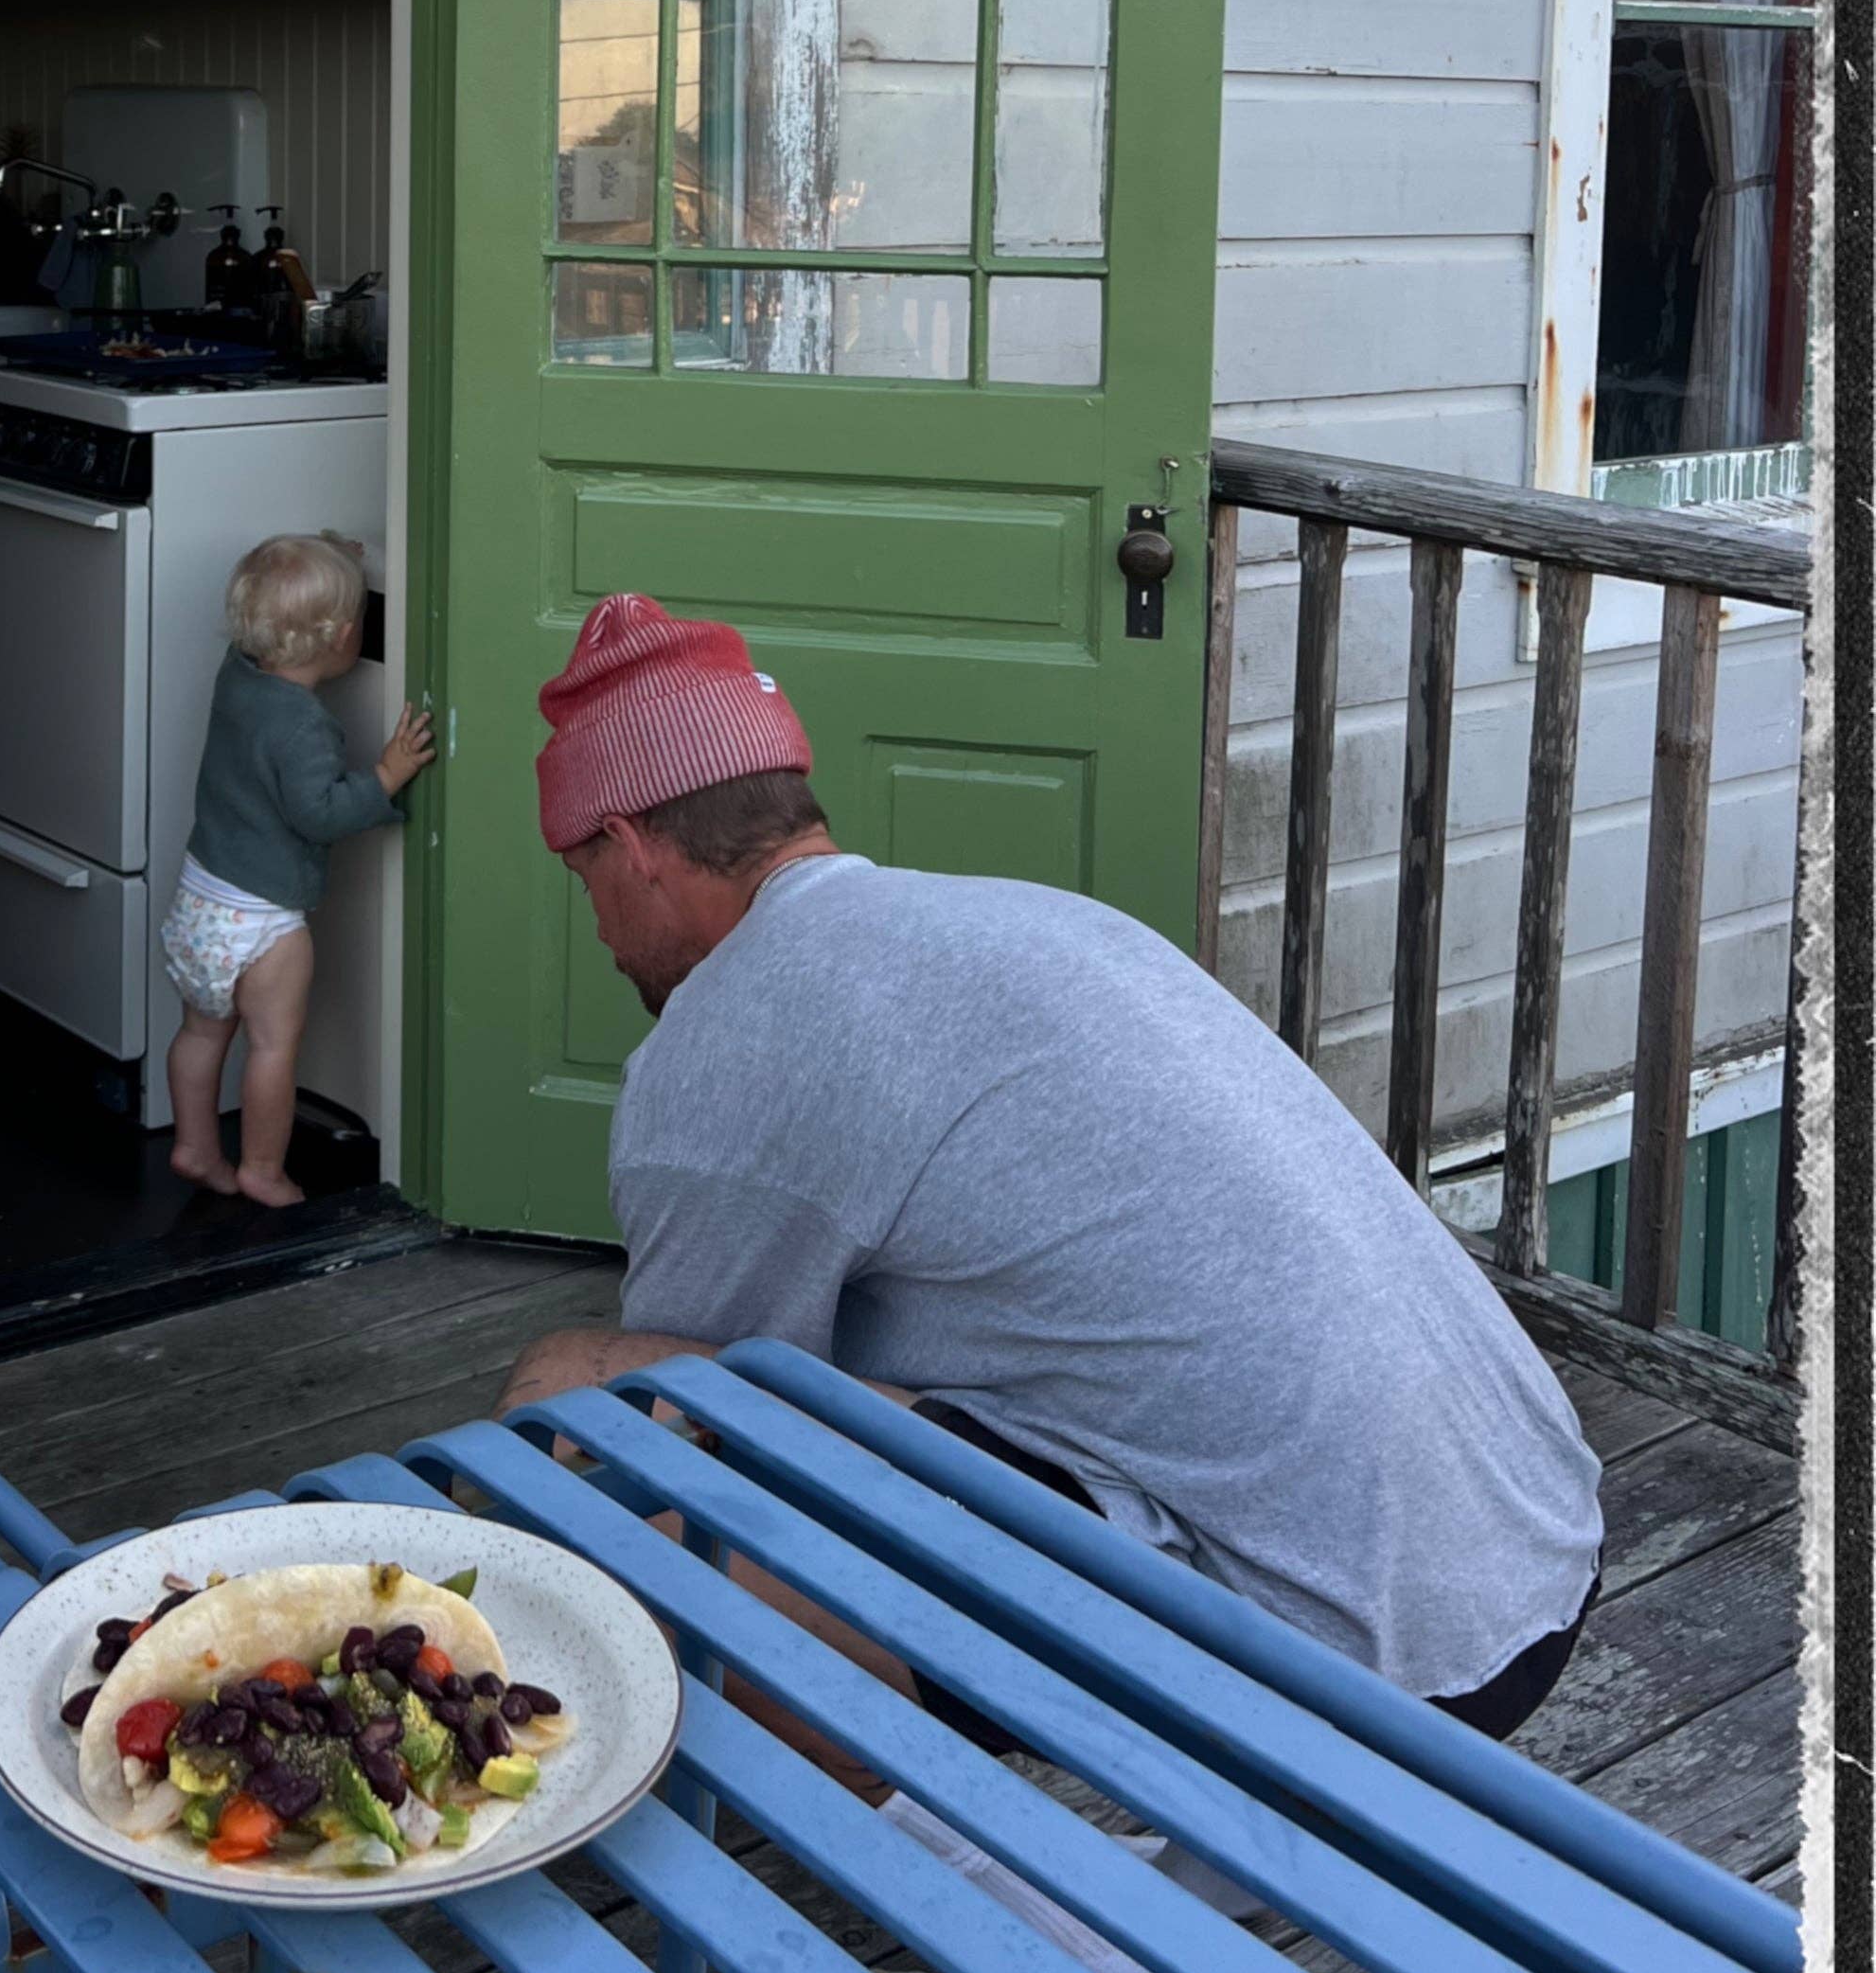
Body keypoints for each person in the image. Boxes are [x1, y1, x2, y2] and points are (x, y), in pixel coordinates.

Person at [503, 593, 1604, 1741]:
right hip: (1535, 1543)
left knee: (576, 1412)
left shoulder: (721, 1045)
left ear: (630, 851)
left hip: (1354, 1661)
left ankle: (895, 1842)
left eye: (586, 885)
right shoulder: (1038, 924)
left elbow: (689, 1417)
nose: (600, 933)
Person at [162, 534, 434, 1206]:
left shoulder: (236, 673)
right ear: (345, 636)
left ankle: (196, 1146)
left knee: (200, 1033)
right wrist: (385, 776)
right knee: (273, 1048)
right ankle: (262, 1169)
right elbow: (322, 814)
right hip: (263, 920)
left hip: (200, 900)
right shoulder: (303, 725)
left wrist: (322, 552)